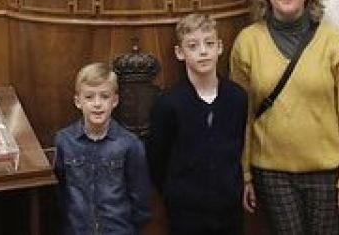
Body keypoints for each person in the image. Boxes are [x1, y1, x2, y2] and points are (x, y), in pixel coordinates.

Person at [231, 0, 339, 234]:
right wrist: (244, 174)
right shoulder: (247, 43)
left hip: (326, 173)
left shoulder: (334, 43)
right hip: (271, 172)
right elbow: (239, 118)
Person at [147, 14, 248, 235]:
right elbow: (157, 158)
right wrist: (177, 191)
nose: (203, 51)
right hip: (185, 212)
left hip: (228, 208)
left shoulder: (237, 97)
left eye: (209, 43)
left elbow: (239, 145)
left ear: (219, 47)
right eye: (193, 46)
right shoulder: (167, 103)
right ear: (179, 53)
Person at [54, 62, 152, 235]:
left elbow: (141, 199)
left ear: (115, 100)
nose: (97, 104)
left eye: (104, 96)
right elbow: (60, 194)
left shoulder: (130, 144)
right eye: (89, 97)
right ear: (78, 101)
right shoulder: (64, 141)